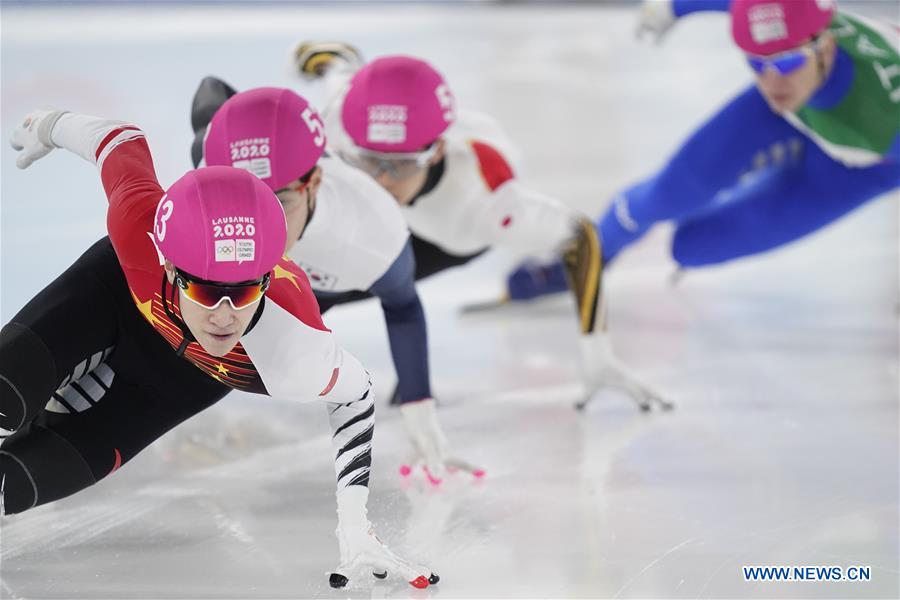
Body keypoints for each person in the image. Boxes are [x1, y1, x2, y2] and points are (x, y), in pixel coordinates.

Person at [2, 107, 438, 589]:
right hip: (109, 299)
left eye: (247, 290)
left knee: (17, 483)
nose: (225, 314)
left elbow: (356, 395)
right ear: (169, 267)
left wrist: (355, 527)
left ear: (269, 278)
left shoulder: (291, 344)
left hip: (179, 382)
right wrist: (48, 124)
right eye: (208, 291)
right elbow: (117, 141)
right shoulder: (139, 225)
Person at [293, 47, 669, 414]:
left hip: (448, 234)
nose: (380, 180)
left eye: (401, 166)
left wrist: (597, 352)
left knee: (332, 287)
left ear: (437, 151)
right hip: (425, 207)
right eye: (367, 161)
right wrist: (332, 62)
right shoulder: (340, 120)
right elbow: (340, 73)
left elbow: (580, 235)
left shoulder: (490, 202)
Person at [505, 0, 899, 299]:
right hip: (799, 109)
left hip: (868, 163)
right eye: (757, 65)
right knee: (667, 195)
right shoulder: (786, 50)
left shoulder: (881, 118)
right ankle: (588, 253)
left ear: (827, 47)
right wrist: (673, 7)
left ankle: (778, 168)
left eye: (785, 62)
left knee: (694, 248)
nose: (772, 79)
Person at [191, 84, 483, 483]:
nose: (262, 218)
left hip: (326, 279)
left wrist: (420, 410)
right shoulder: (208, 164)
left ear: (311, 184)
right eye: (244, 195)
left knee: (230, 364)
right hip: (297, 270)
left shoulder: (374, 236)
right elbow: (210, 91)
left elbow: (402, 306)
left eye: (280, 200)